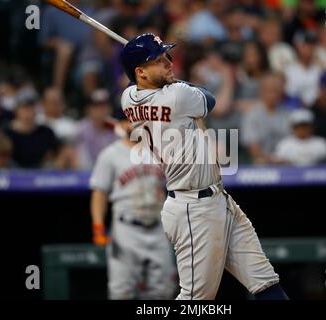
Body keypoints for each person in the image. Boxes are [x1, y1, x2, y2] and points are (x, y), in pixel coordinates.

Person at [119, 33, 288, 300]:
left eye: (166, 57)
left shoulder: (128, 97)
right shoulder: (177, 95)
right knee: (196, 299)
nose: (168, 63)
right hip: (193, 209)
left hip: (215, 200)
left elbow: (143, 86)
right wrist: (178, 82)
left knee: (265, 282)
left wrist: (160, 76)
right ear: (140, 72)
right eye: (158, 60)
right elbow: (210, 98)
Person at [89, 119, 176, 299]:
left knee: (162, 292)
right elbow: (99, 194)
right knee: (122, 292)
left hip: (158, 228)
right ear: (122, 124)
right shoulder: (110, 154)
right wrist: (98, 226)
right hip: (126, 229)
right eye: (131, 120)